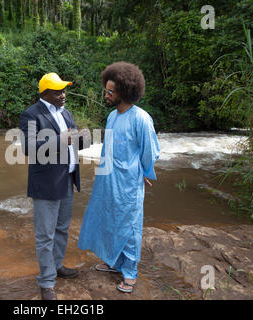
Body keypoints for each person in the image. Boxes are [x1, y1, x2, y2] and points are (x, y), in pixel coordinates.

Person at [78, 62, 160, 293]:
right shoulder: (112, 117)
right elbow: (107, 151)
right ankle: (114, 262)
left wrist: (145, 172)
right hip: (109, 181)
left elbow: (150, 151)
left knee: (131, 226)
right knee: (110, 220)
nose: (106, 94)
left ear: (124, 92)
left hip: (129, 184)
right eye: (106, 90)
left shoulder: (141, 119)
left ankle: (130, 273)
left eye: (110, 91)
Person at [19, 72, 90, 300]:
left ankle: (57, 266)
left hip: (67, 180)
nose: (63, 94)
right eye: (58, 91)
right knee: (45, 235)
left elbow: (75, 141)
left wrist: (85, 138)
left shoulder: (65, 113)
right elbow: (29, 148)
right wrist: (61, 138)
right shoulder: (31, 115)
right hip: (46, 184)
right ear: (46, 93)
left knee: (61, 229)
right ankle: (47, 282)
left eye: (64, 90)